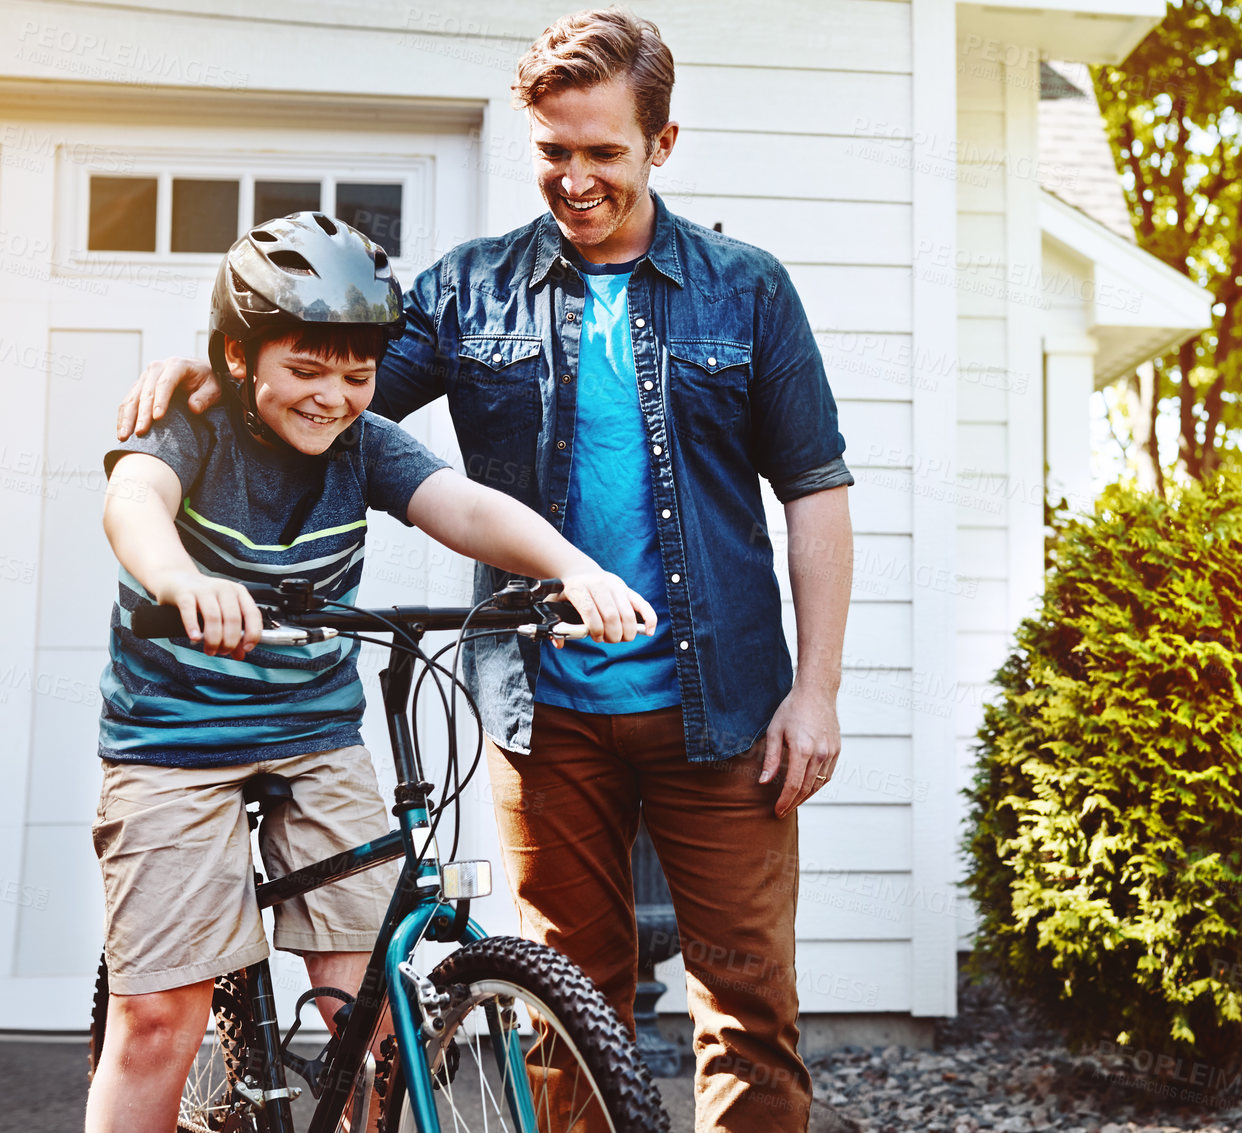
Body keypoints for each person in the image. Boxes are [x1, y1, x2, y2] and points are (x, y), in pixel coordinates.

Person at [117, 9, 856, 1130]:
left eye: (603, 151)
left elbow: (815, 489)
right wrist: (210, 366)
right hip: (542, 711)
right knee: (565, 1007)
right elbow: (326, 386)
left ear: (662, 143)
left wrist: (818, 689)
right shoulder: (469, 289)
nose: (576, 177)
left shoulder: (746, 290)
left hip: (725, 706)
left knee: (747, 1004)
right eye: (554, 151)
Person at [89, 211, 656, 1133]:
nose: (333, 397)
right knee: (161, 1017)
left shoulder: (364, 444)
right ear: (238, 360)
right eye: (304, 370)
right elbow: (134, 500)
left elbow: (465, 508)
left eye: (356, 376)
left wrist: (576, 571)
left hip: (316, 736)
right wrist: (181, 578)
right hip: (173, 746)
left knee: (371, 1022)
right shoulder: (195, 425)